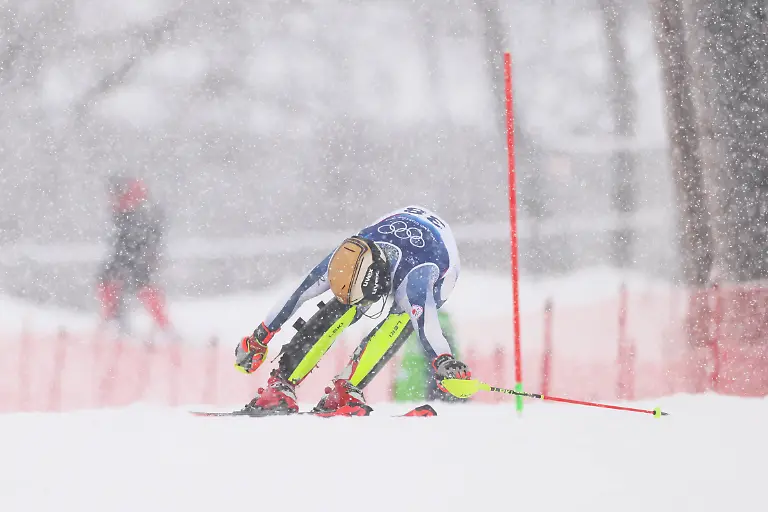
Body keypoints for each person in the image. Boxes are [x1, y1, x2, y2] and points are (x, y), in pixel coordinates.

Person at [234, 205, 472, 416]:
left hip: (438, 262)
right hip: (389, 234)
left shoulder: (415, 283)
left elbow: (428, 324)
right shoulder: (348, 256)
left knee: (400, 320)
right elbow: (299, 292)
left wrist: (443, 360)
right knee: (343, 306)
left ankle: (348, 386)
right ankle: (282, 383)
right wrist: (260, 337)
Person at [96, 176, 171, 338]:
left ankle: (162, 326)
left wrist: (147, 253)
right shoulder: (135, 207)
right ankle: (117, 320)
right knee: (127, 283)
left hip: (136, 253)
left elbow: (144, 233)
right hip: (132, 253)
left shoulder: (136, 209)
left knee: (138, 284)